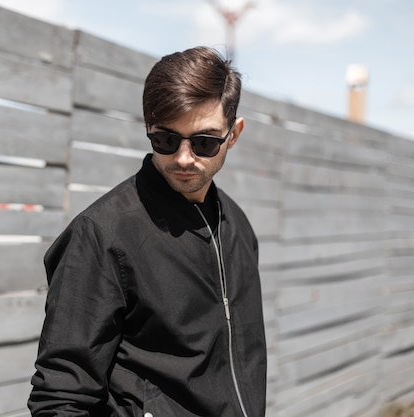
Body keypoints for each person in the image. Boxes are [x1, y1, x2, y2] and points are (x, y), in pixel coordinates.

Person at [28, 46, 267, 417]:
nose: (184, 158)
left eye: (204, 142)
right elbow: (61, 398)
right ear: (148, 130)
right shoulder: (102, 234)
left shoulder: (236, 227)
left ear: (233, 134)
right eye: (166, 140)